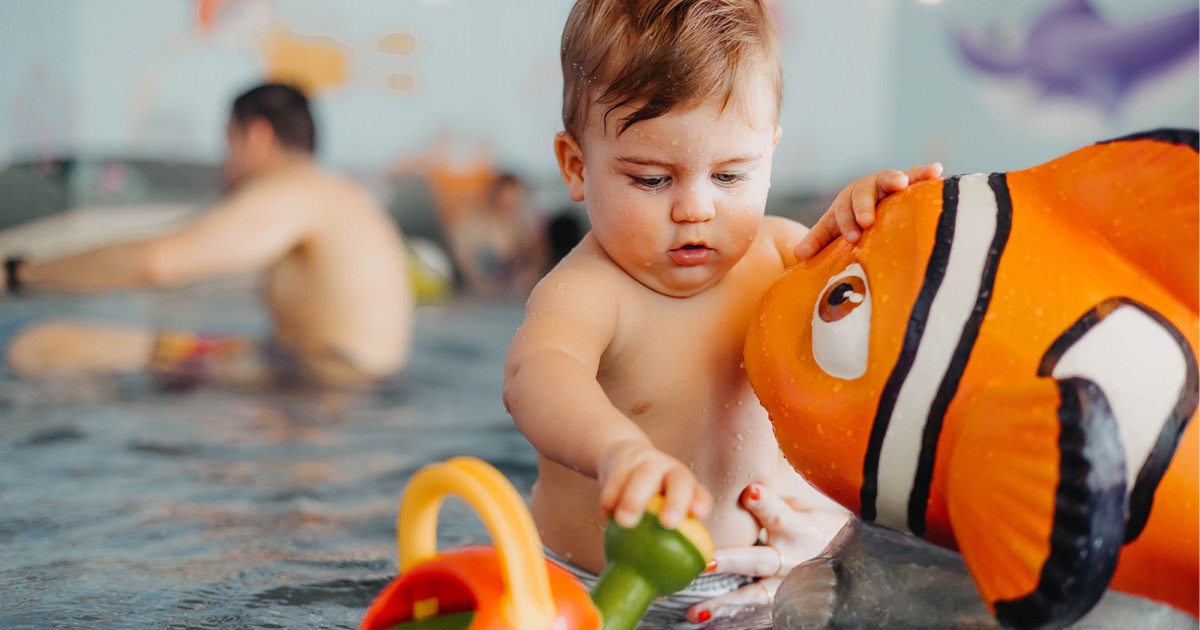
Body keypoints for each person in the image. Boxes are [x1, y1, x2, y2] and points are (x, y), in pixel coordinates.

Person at [501, 1, 942, 626]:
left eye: (732, 175)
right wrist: (618, 451)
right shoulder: (589, 292)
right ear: (577, 166)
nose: (695, 208)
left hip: (777, 577)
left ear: (769, 153)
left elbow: (914, 334)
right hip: (594, 590)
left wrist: (886, 224)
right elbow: (536, 376)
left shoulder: (791, 256)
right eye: (652, 180)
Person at [3, 82, 413, 389]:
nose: (224, 165)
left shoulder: (294, 192)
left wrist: (17, 273)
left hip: (326, 383)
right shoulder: (337, 196)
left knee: (44, 346)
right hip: (350, 386)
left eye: (228, 143)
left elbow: (157, 263)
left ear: (257, 138)